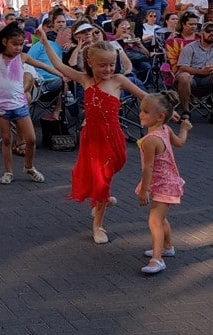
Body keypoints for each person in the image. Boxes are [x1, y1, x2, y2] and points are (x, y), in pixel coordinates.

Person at [35, 30, 147, 245]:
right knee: (101, 180)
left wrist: (167, 110)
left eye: (111, 64)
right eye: (102, 65)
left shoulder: (118, 80)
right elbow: (60, 66)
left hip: (113, 136)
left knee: (115, 167)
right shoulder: (85, 80)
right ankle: (98, 224)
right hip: (92, 138)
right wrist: (44, 43)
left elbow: (144, 96)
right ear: (90, 63)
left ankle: (101, 198)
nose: (107, 69)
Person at [0, 23, 60, 185]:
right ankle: (8, 171)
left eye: (21, 44)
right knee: (6, 140)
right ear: (5, 42)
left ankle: (29, 167)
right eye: (15, 44)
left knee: (31, 139)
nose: (18, 48)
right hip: (1, 105)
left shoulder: (22, 57)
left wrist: (62, 75)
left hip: (20, 104)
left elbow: (43, 65)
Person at [136, 90, 191, 275]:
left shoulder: (151, 140)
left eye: (146, 111)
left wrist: (144, 190)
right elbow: (180, 143)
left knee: (154, 221)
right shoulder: (165, 130)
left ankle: (157, 259)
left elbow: (148, 168)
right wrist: (184, 129)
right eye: (141, 110)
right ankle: (167, 247)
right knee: (160, 218)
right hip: (167, 182)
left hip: (163, 184)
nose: (141, 114)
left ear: (160, 117)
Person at [175, 22, 213, 123]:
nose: (212, 33)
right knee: (184, 76)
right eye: (208, 31)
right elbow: (182, 67)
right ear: (201, 33)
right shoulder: (190, 48)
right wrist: (200, 71)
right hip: (192, 78)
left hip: (210, 78)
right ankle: (186, 111)